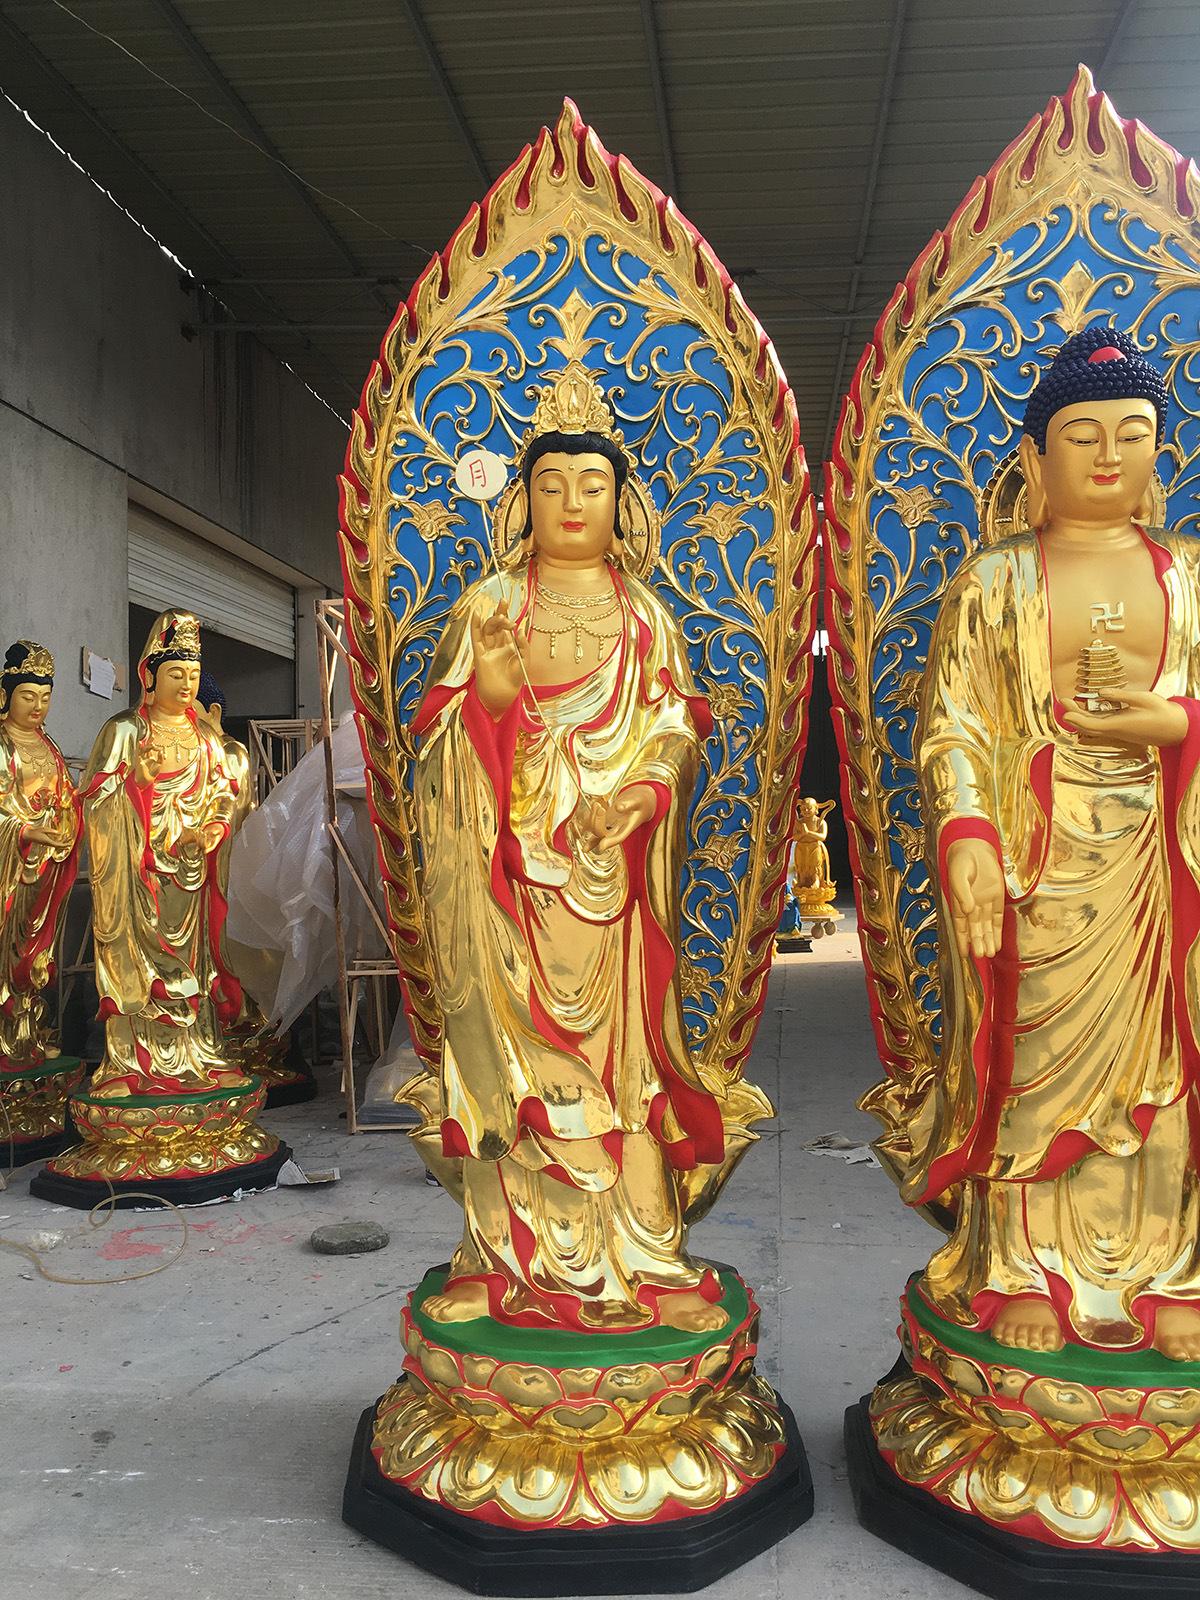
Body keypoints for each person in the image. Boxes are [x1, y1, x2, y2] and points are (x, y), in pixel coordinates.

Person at [411, 362, 726, 1332]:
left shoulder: (645, 616)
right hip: (507, 884)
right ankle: (496, 1256)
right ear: (523, 502)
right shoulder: (490, 607)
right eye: (552, 485)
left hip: (609, 888)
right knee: (504, 1067)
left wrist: (636, 796)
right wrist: (489, 707)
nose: (573, 502)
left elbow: (674, 727)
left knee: (623, 1077)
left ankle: (645, 1253)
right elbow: (435, 741)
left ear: (622, 504)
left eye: (592, 484)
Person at [913, 324, 1200, 1359]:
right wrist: (968, 835)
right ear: (1036, 460)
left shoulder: (1190, 575)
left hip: (1159, 859)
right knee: (1031, 1064)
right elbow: (954, 724)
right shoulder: (995, 582)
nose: (1110, 455)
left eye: (1133, 433)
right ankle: (1024, 1264)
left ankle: (1164, 1268)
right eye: (1083, 436)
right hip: (1037, 858)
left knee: (1164, 1071)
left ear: (1162, 451)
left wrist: (1176, 724)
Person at [81, 612, 245, 1097]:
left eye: (193, 674)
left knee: (196, 967)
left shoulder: (206, 738)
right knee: (138, 966)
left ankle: (201, 1054)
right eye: (176, 673)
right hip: (138, 876)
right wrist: (139, 784)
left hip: (191, 877)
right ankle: (129, 1063)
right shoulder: (125, 731)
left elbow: (224, 793)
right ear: (149, 676)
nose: (186, 684)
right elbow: (95, 801)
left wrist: (212, 829)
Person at [0, 642, 80, 1068]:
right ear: (5, 695)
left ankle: (26, 1030)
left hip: (46, 863)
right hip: (11, 865)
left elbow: (66, 797)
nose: (37, 706)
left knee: (36, 951)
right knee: (6, 948)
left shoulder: (48, 745)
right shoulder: (2, 744)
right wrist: (24, 829)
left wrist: (69, 817)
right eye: (28, 696)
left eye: (45, 697)